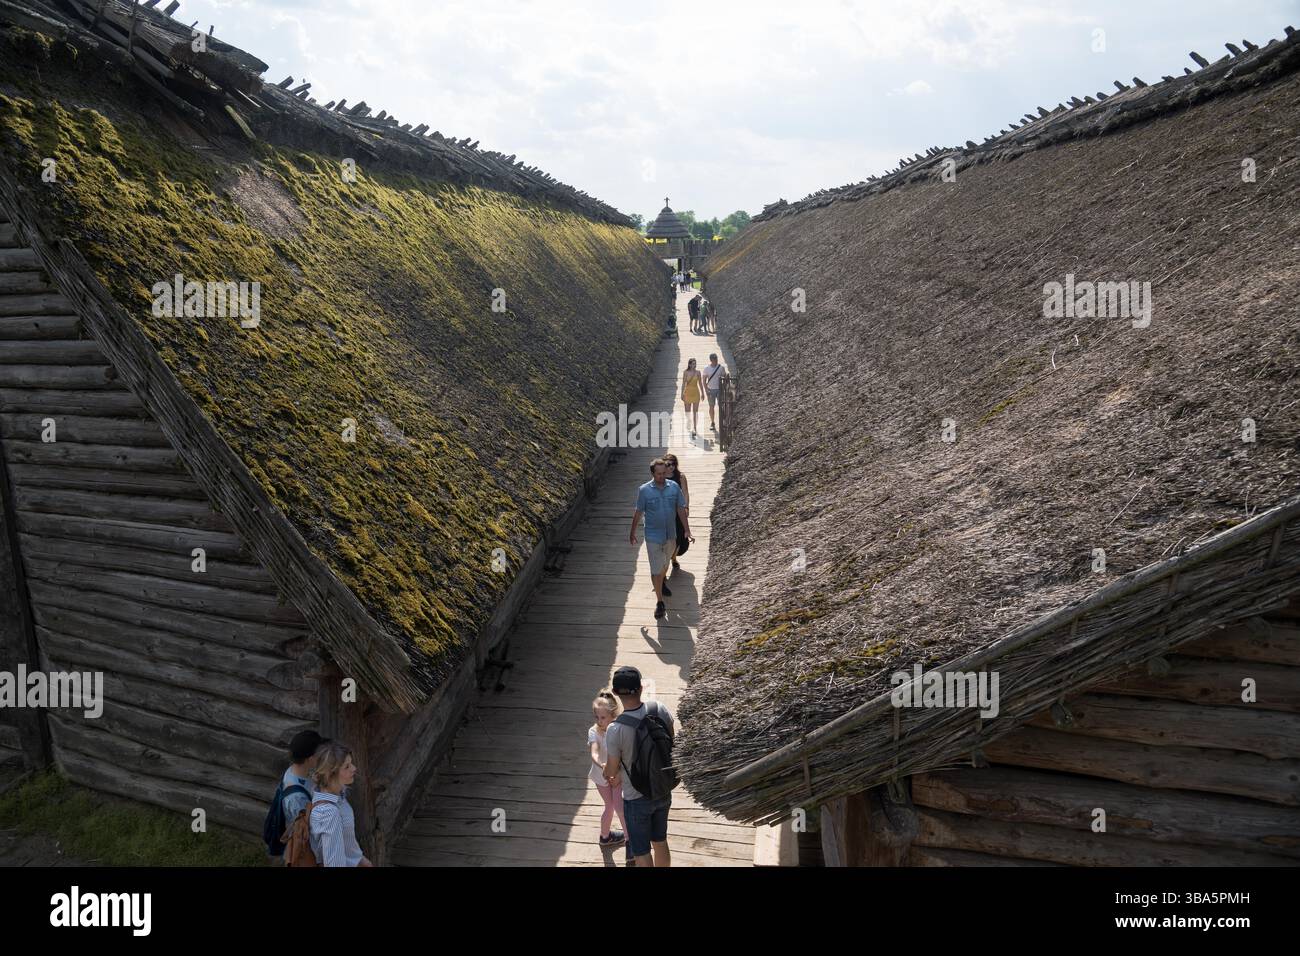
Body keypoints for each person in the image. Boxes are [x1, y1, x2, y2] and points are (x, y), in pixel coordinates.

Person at [603, 666, 675, 867]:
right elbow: (671, 742)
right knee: (660, 841)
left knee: (641, 851)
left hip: (636, 798)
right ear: (641, 688)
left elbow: (611, 768)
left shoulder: (615, 729)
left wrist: (607, 771)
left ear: (616, 693)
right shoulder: (658, 709)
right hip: (662, 789)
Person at [629, 457, 693, 620]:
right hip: (652, 536)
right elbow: (638, 511)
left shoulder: (674, 487)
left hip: (671, 535)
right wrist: (632, 531)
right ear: (652, 473)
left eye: (664, 473)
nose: (662, 476)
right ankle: (659, 602)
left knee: (663, 566)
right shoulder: (644, 490)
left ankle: (661, 581)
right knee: (656, 569)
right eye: (658, 474)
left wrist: (687, 530)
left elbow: (680, 509)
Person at [309, 742, 373, 867]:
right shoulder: (328, 812)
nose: (354, 768)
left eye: (351, 764)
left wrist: (361, 860)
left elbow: (346, 840)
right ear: (330, 775)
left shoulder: (338, 795)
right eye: (347, 766)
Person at [263, 729, 323, 862]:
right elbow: (307, 830)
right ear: (311, 759)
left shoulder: (293, 771)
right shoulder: (297, 798)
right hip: (303, 847)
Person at [589, 690, 627, 847]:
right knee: (611, 806)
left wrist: (616, 771)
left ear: (613, 715)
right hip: (601, 775)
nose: (599, 721)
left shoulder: (619, 729)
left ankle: (622, 837)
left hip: (616, 775)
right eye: (597, 717)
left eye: (603, 717)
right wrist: (603, 765)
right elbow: (594, 752)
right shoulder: (593, 731)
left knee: (618, 807)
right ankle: (608, 836)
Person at [662, 453, 690, 570]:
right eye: (669, 464)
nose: (671, 466)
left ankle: (673, 558)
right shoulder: (660, 477)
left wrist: (686, 507)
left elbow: (685, 492)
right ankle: (664, 567)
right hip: (664, 513)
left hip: (678, 513)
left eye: (674, 464)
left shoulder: (681, 477)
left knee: (679, 538)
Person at [702, 352, 726, 431]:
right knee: (711, 406)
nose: (716, 360)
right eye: (714, 359)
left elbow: (724, 377)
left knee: (721, 406)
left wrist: (724, 386)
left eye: (716, 359)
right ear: (711, 360)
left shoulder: (721, 367)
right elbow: (704, 380)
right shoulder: (707, 368)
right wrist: (706, 390)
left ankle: (723, 421)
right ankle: (712, 422)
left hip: (720, 389)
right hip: (710, 390)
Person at [681, 358, 702, 436]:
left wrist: (703, 393)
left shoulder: (698, 372)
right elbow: (683, 384)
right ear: (689, 364)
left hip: (696, 392)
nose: (694, 365)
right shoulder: (685, 372)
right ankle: (689, 421)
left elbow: (700, 383)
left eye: (695, 363)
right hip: (687, 392)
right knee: (687, 411)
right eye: (693, 364)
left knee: (695, 412)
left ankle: (695, 428)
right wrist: (681, 394)